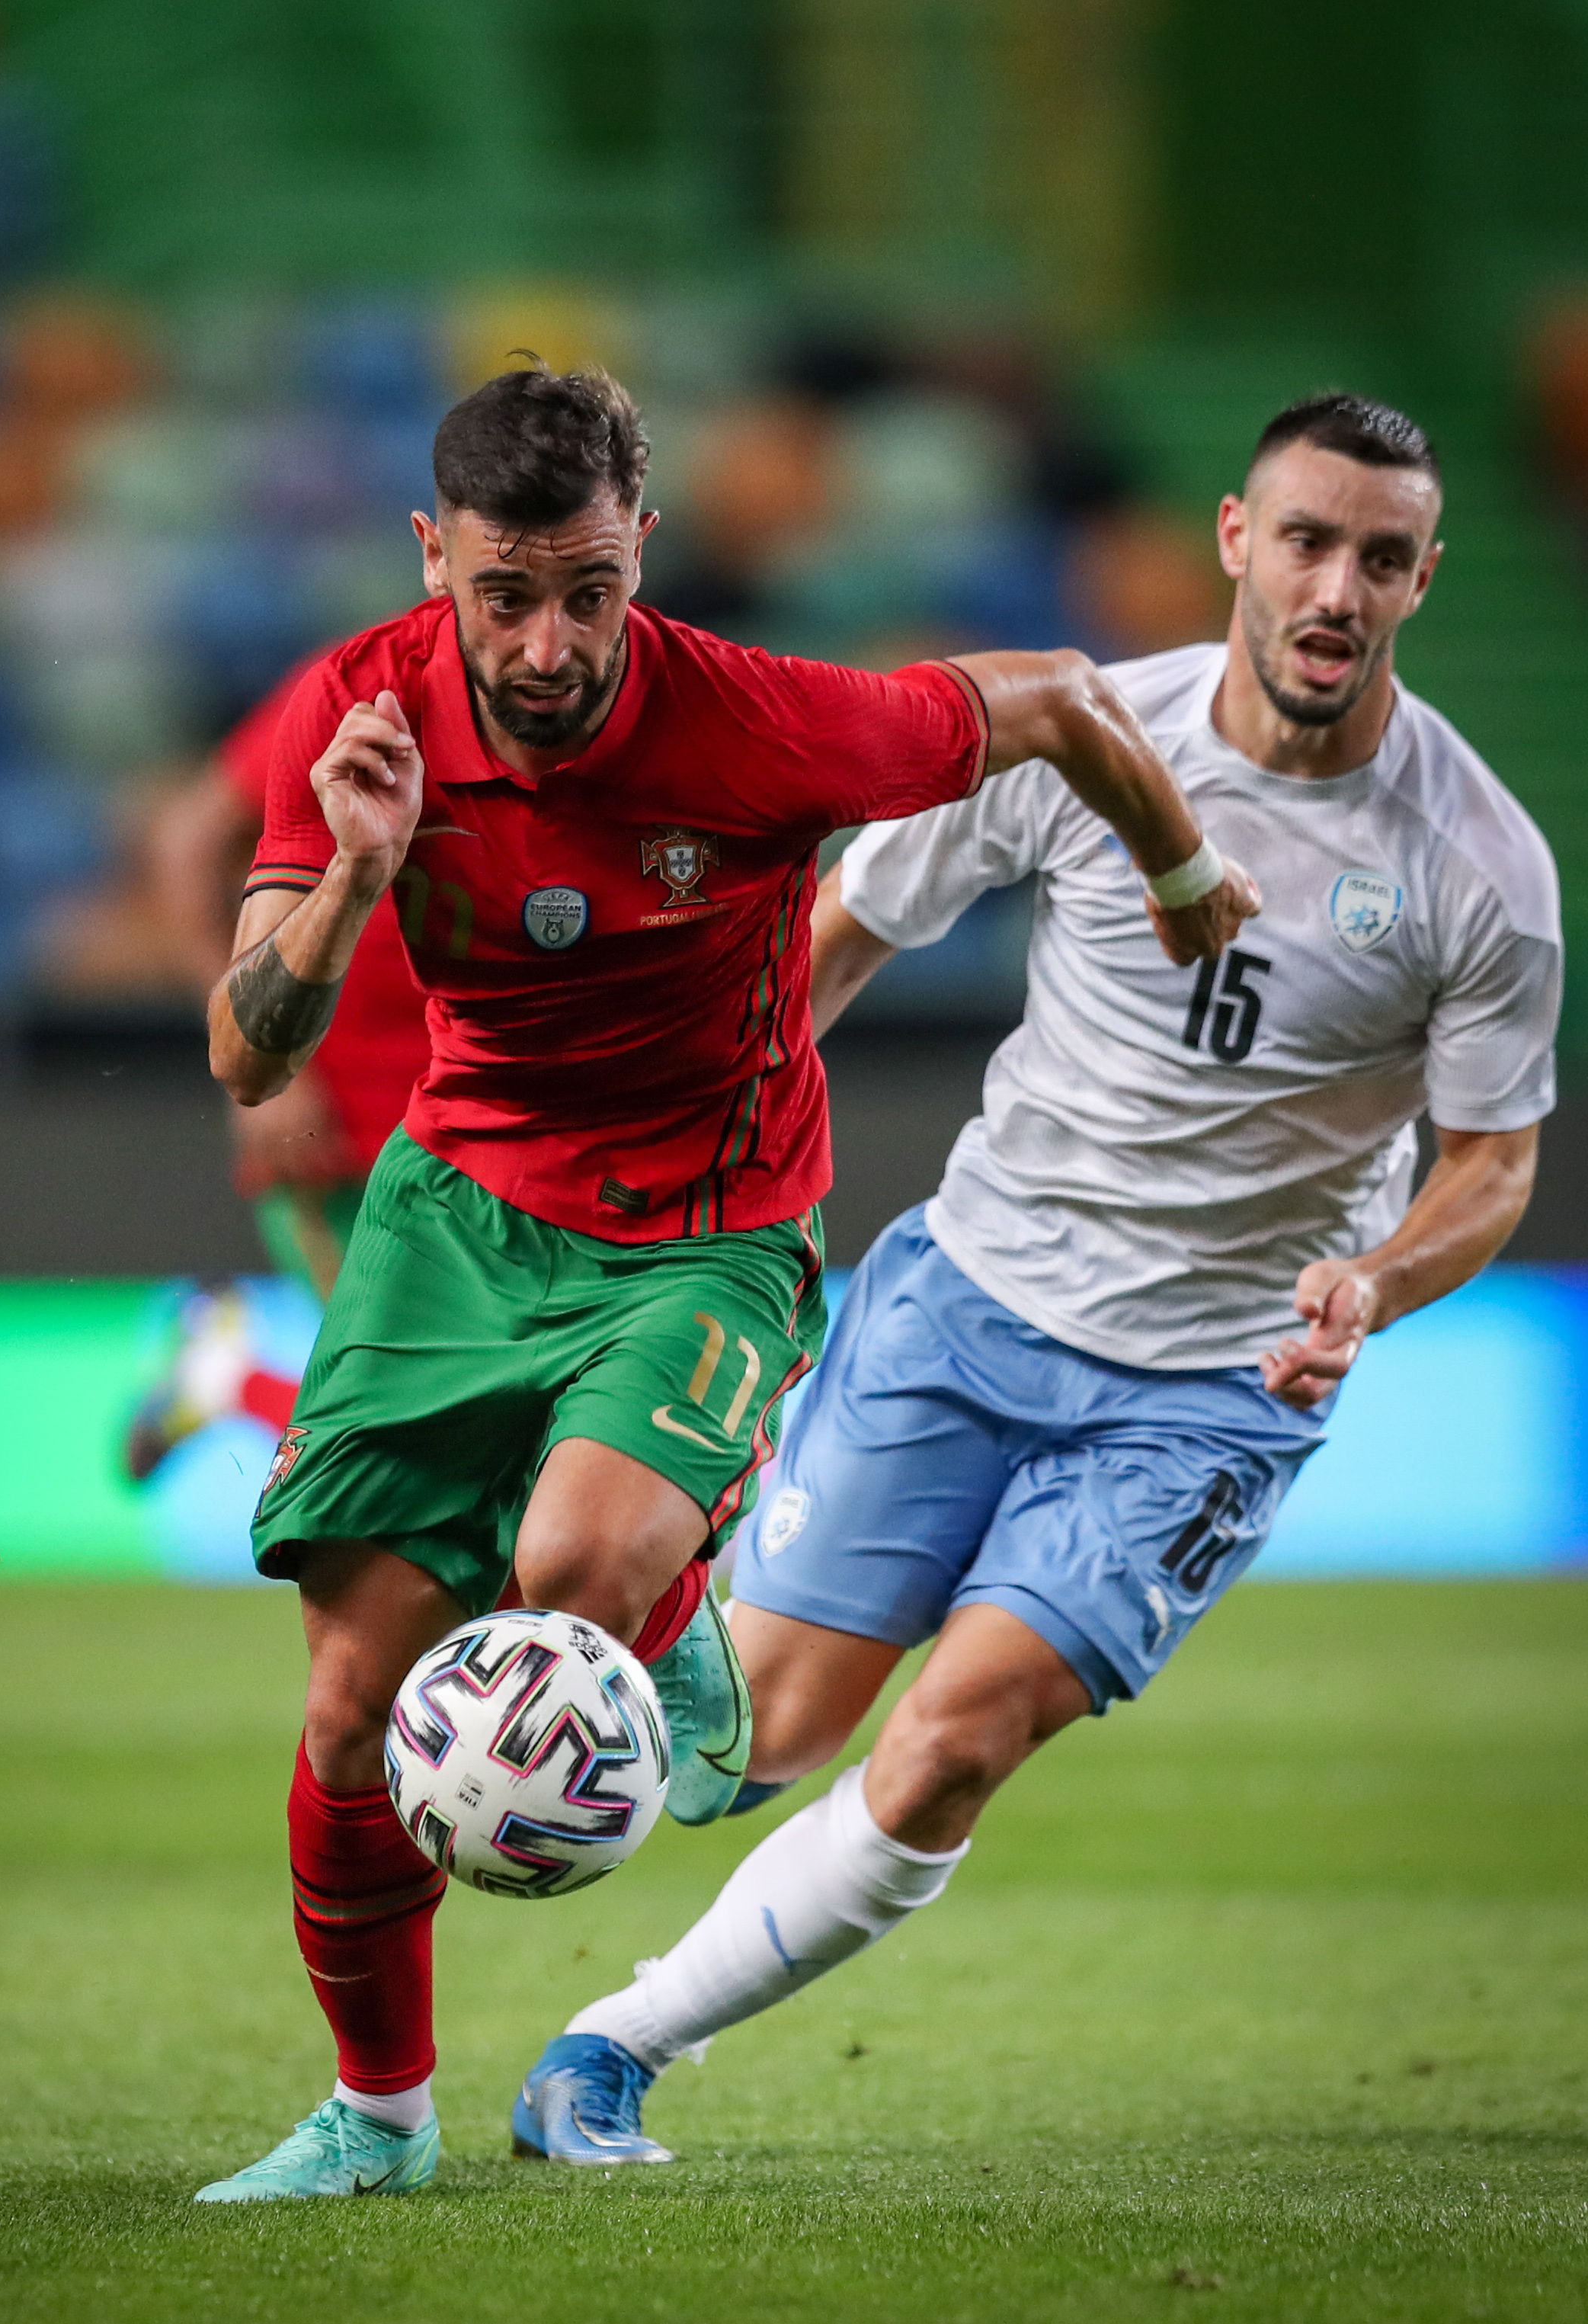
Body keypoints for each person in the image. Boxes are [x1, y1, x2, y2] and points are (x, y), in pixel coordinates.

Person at [192, 361, 1255, 2204]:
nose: (545, 645)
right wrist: (353, 882)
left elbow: (1065, 697)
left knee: (570, 1569)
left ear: (643, 549)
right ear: (433, 555)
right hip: (456, 1214)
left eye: (588, 591)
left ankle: (678, 1578)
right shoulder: (355, 715)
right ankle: (378, 2116)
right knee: (354, 1710)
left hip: (707, 1222)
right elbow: (243, 1053)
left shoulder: (758, 717)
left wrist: (1178, 869)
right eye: (503, 595)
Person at [514, 392, 1561, 2165]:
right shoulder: (1082, 737)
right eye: (1306, 541)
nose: (1335, 589)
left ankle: (604, 2052)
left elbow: (1491, 1160)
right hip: (967, 1299)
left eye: (1379, 559)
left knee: (953, 1738)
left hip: (1209, 1384)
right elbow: (838, 931)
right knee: (748, 1744)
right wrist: (702, 1178)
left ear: (1422, 580)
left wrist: (1376, 1282)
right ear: (1234, 538)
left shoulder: (1478, 865)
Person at [123, 665, 432, 1479]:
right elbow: (186, 845)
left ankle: (228, 1378)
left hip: (475, 1113)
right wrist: (260, 1052)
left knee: (446, 1400)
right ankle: (233, 1381)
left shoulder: (550, 696)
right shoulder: (363, 689)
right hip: (344, 1126)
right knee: (403, 1409)